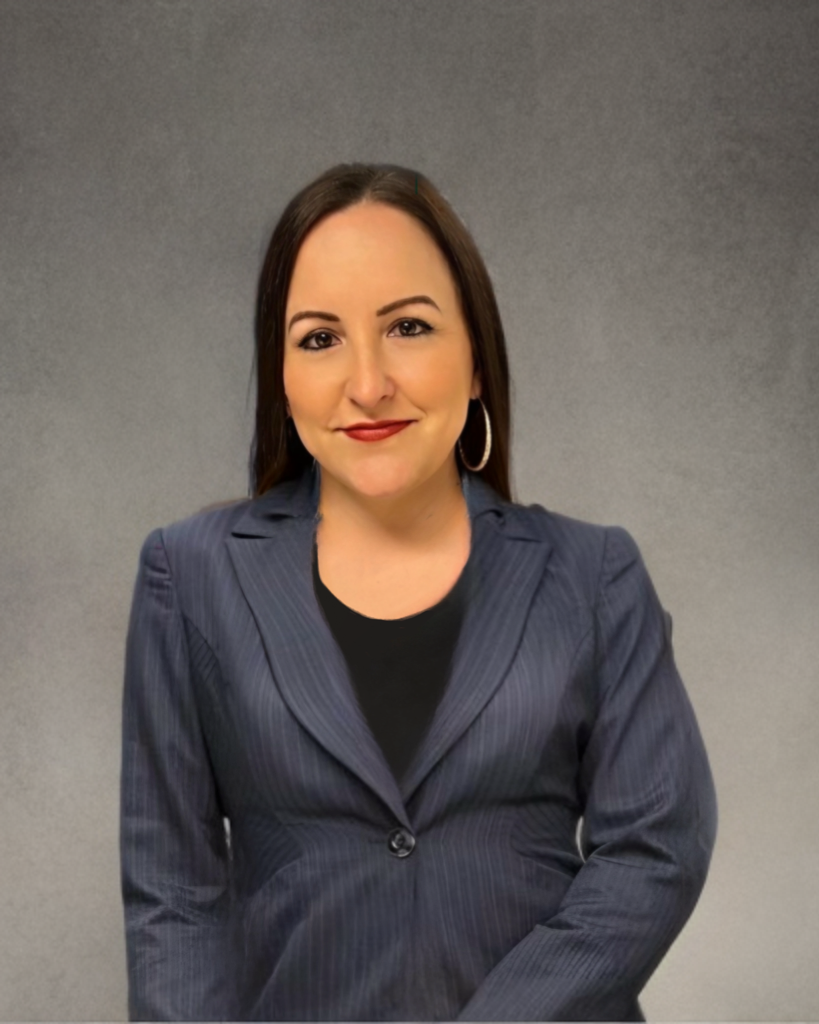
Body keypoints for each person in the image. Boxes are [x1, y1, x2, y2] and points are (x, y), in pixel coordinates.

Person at [119, 162, 718, 1022]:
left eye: (406, 327)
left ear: (476, 360)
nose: (367, 384)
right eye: (319, 338)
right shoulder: (190, 575)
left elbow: (656, 851)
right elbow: (171, 898)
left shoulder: (594, 576)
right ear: (281, 380)